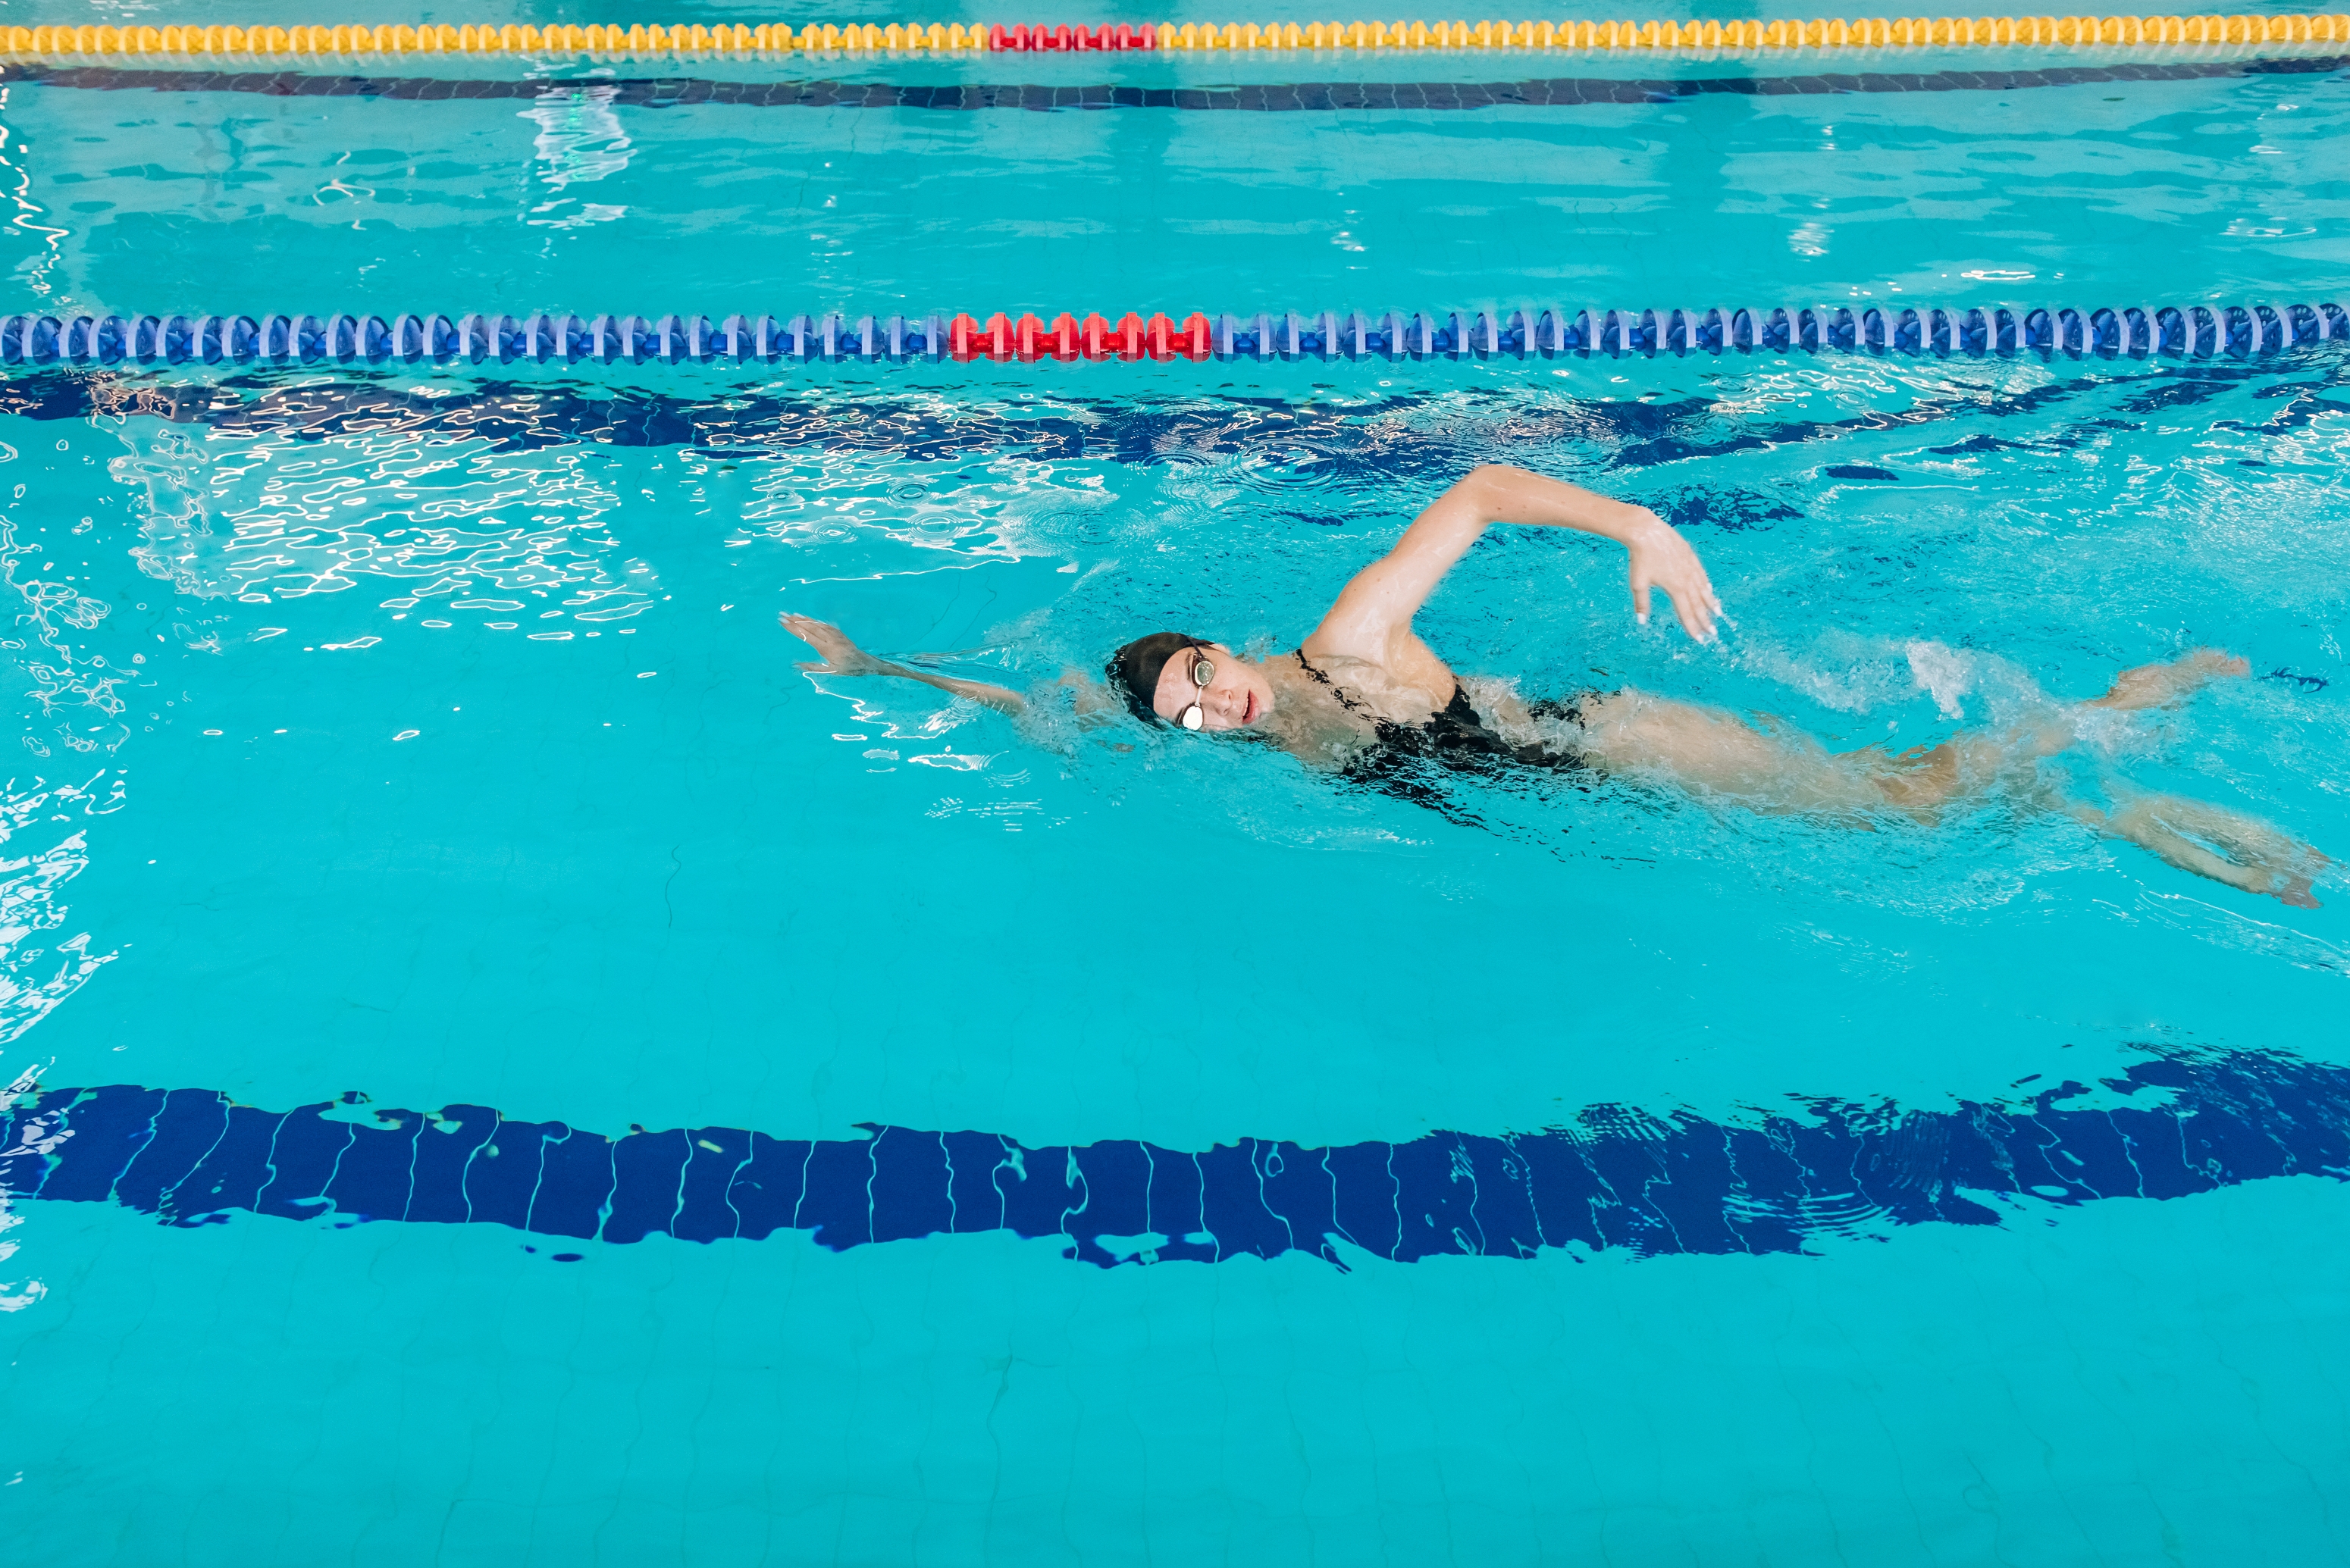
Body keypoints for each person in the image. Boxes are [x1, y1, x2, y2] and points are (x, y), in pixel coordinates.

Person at [782, 463, 2327, 908]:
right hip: (1578, 801)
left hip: (1617, 744)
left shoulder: (1338, 649)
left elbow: (1469, 494)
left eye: (1196, 674)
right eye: (1185, 714)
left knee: (1900, 816)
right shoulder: (1250, 744)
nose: (1209, 707)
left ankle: (2131, 715)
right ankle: (2106, 770)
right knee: (1903, 826)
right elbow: (1046, 706)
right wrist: (880, 670)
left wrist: (1641, 524)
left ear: (1214, 640)